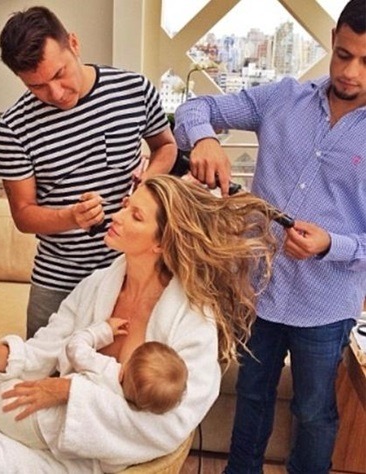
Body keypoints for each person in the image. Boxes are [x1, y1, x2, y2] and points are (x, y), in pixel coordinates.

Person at [0, 174, 276, 474]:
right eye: (126, 205)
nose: (118, 216)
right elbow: (40, 353)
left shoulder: (192, 319)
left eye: (136, 216)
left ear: (162, 242)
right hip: (40, 432)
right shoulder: (98, 285)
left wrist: (69, 392)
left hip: (86, 459)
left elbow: (169, 426)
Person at [173, 1, 366, 472]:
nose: (350, 72)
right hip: (258, 291)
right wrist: (205, 139)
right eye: (344, 55)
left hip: (326, 304)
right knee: (252, 396)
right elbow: (195, 107)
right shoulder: (283, 98)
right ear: (333, 39)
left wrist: (330, 244)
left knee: (314, 412)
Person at [0, 6, 177, 337]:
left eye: (59, 74)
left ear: (74, 44)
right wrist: (71, 217)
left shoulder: (134, 89)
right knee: (38, 364)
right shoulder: (12, 127)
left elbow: (165, 146)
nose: (56, 94)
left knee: (128, 366)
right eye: (37, 87)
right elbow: (23, 215)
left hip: (130, 271)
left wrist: (148, 181)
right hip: (58, 279)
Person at [0, 317, 188, 467]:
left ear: (124, 369)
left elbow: (75, 348)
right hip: (45, 440)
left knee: (9, 389)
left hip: (23, 413)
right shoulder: (130, 418)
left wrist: (103, 331)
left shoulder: (108, 370)